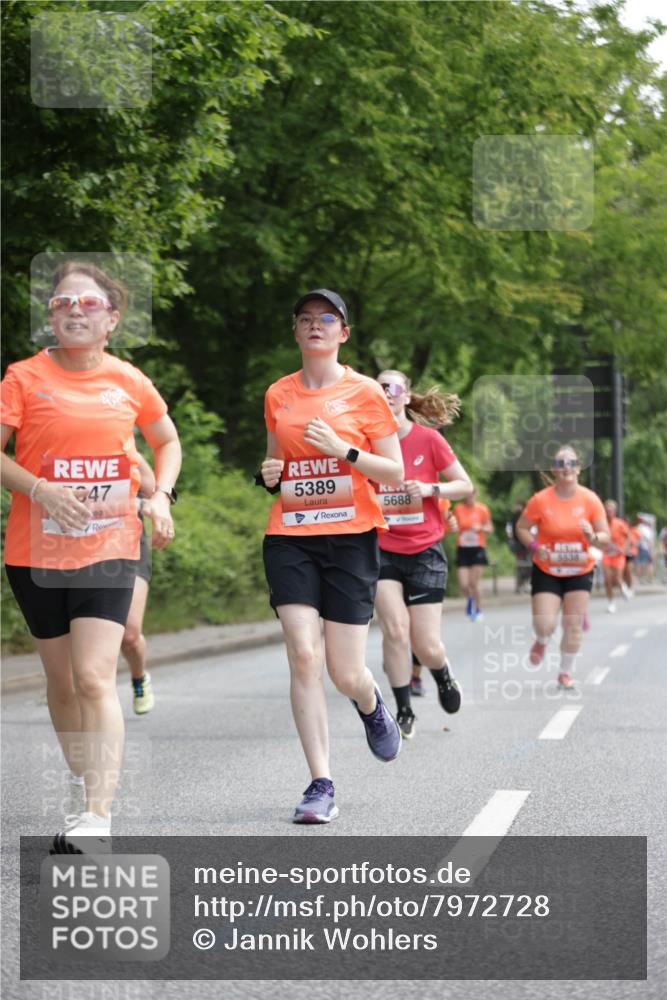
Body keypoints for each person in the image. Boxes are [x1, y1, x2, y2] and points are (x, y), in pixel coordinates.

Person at [1, 261, 181, 849]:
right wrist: (40, 487)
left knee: (93, 676)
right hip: (36, 552)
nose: (74, 310)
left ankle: (97, 818)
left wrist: (160, 497)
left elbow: (167, 440)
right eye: (62, 302)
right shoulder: (23, 378)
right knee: (60, 683)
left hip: (110, 547)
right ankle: (85, 785)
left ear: (111, 318)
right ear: (51, 316)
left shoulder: (129, 380)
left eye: (88, 303)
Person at [258, 289, 404, 824]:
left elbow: (394, 471)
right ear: (295, 332)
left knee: (345, 672)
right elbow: (274, 463)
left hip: (350, 539)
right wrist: (268, 474)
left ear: (343, 333)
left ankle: (370, 703)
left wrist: (342, 449)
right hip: (291, 533)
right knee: (303, 653)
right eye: (305, 319)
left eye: (327, 319)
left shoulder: (366, 393)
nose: (315, 325)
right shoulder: (279, 394)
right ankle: (320, 783)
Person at [372, 370, 473, 738]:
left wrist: (431, 488)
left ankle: (442, 674)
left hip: (425, 549)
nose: (387, 393)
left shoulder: (428, 440)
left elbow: (465, 485)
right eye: (379, 387)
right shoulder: (366, 443)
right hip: (382, 549)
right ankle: (403, 711)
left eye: (393, 387)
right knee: (395, 631)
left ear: (406, 395)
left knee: (426, 645)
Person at [516, 445, 609, 689]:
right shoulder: (541, 500)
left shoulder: (590, 500)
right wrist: (536, 546)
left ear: (578, 468)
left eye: (571, 463)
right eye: (560, 463)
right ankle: (543, 638)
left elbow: (606, 535)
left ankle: (565, 672)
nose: (566, 467)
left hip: (580, 568)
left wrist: (594, 536)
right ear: (554, 470)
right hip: (547, 567)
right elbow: (521, 528)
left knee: (573, 623)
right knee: (545, 622)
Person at [121, 453, 155, 714]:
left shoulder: (125, 448)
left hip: (128, 543)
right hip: (75, 547)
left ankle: (139, 677)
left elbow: (151, 487)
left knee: (130, 634)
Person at [452, 491, 493, 622]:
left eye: (471, 495)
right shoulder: (458, 509)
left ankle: (479, 609)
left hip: (477, 548)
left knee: (474, 583)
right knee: (464, 583)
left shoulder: (482, 509)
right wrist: (456, 528)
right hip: (463, 548)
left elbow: (490, 528)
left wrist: (480, 527)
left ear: (475, 495)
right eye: (466, 495)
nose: (469, 498)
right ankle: (470, 600)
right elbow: (453, 526)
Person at [601, 499, 631, 613]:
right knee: (607, 579)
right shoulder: (601, 523)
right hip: (607, 554)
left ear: (615, 512)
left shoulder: (620, 523)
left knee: (617, 579)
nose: (609, 512)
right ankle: (611, 603)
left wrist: (624, 548)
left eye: (611, 510)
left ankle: (623, 587)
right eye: (607, 510)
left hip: (618, 555)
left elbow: (629, 537)